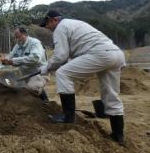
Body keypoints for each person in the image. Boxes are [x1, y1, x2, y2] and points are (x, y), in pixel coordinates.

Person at [39, 10, 126, 145]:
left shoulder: (60, 28)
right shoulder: (75, 24)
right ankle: (118, 136)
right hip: (116, 54)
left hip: (100, 54)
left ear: (54, 20)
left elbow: (60, 56)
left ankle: (68, 117)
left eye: (47, 24)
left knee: (63, 73)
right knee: (111, 95)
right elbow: (74, 52)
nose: (48, 28)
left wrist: (46, 67)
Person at [1, 26, 49, 101]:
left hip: (38, 73)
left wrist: (13, 61)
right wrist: (5, 59)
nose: (17, 39)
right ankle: (40, 100)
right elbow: (11, 56)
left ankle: (44, 101)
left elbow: (35, 58)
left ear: (24, 34)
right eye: (16, 37)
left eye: (18, 37)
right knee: (18, 87)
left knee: (30, 89)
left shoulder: (35, 43)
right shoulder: (18, 46)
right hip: (25, 74)